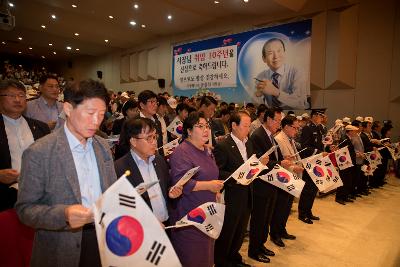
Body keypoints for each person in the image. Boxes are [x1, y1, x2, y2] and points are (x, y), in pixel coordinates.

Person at [16, 79, 117, 267]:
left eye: (101, 115)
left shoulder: (102, 146)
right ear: (68, 109)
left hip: (103, 239)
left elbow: (111, 193)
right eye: (90, 113)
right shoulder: (40, 152)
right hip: (60, 245)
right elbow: (25, 210)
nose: (96, 121)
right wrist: (64, 214)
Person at [213, 111, 269, 267]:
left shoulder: (248, 143)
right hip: (232, 196)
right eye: (245, 126)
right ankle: (222, 262)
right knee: (228, 232)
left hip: (247, 194)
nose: (248, 129)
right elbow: (217, 171)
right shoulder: (223, 146)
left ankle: (234, 257)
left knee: (240, 231)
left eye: (249, 125)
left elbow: (251, 166)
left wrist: (260, 164)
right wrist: (238, 175)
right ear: (234, 125)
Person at [169, 111, 224, 267]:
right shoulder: (181, 152)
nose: (206, 129)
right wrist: (209, 186)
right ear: (189, 131)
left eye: (207, 126)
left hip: (208, 213)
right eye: (200, 126)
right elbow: (181, 182)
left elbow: (212, 174)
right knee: (192, 257)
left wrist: (217, 190)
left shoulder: (207, 150)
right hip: (190, 215)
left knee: (206, 256)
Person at [114, 118, 182, 225]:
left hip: (167, 225)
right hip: (142, 231)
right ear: (133, 141)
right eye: (149, 138)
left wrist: (172, 192)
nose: (154, 142)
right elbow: (121, 207)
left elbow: (167, 186)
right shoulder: (120, 168)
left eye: (155, 137)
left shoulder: (159, 160)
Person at [248, 107, 292, 263]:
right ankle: (254, 250)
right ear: (267, 119)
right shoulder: (257, 135)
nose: (278, 124)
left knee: (266, 218)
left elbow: (272, 157)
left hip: (272, 183)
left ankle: (261, 245)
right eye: (277, 121)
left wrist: (282, 159)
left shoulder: (271, 135)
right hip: (261, 184)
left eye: (280, 121)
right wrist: (280, 162)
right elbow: (258, 161)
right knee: (259, 219)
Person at [0, 79, 50, 212]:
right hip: (7, 198)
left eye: (21, 95)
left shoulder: (41, 127)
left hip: (42, 195)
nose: (17, 99)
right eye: (11, 95)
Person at [270, 115, 303, 247]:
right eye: (295, 128)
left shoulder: (290, 139)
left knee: (287, 206)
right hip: (283, 178)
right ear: (286, 127)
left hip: (292, 177)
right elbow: (280, 161)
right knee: (280, 207)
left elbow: (290, 157)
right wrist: (294, 166)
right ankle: (274, 233)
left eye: (297, 128)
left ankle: (282, 229)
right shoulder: (278, 139)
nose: (297, 130)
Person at [255, 38, 308, 109]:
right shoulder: (261, 76)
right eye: (270, 53)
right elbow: (256, 103)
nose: (276, 56)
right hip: (271, 115)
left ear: (284, 53)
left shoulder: (297, 72)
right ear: (264, 58)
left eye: (279, 51)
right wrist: (258, 95)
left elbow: (301, 103)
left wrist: (275, 92)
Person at [298, 109, 326, 223]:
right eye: (320, 116)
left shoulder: (319, 128)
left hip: (317, 162)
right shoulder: (307, 128)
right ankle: (302, 213)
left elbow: (321, 144)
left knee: (314, 189)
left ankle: (308, 211)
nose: (322, 118)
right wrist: (319, 152)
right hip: (309, 161)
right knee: (307, 189)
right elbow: (304, 147)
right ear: (314, 116)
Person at [335, 125, 358, 205]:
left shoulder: (348, 138)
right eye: (354, 131)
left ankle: (345, 196)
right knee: (343, 180)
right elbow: (342, 151)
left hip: (349, 163)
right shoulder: (344, 139)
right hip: (344, 163)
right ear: (350, 131)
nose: (356, 133)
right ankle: (339, 197)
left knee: (348, 180)